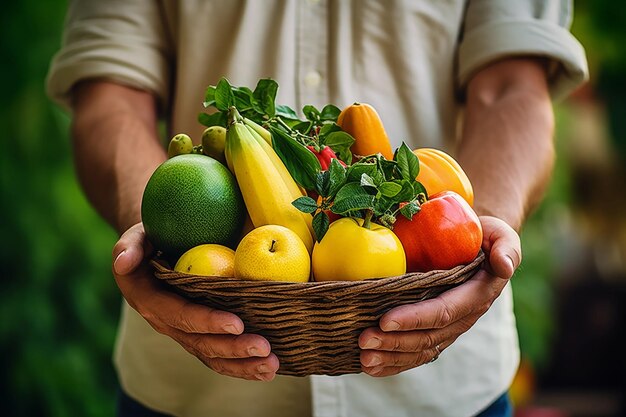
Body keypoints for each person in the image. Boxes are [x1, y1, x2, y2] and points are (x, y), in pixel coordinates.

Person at [47, 1, 588, 416]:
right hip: (192, 387)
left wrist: (473, 241)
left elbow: (514, 86)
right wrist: (157, 231)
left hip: (440, 390)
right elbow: (111, 91)